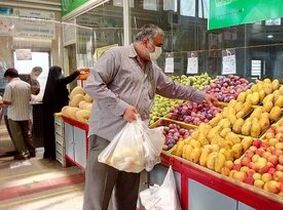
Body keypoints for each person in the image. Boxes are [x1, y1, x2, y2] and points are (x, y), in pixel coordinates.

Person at [83, 24, 219, 210]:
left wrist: (201, 96)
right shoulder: (116, 56)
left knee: (128, 195)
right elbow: (93, 85)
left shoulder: (152, 69)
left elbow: (172, 88)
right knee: (98, 195)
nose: (160, 50)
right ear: (146, 41)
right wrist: (122, 108)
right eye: (159, 44)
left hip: (134, 141)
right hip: (108, 135)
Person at [42, 66, 80, 160]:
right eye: (60, 72)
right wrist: (77, 72)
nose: (61, 74)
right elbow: (65, 80)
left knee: (51, 133)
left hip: (49, 114)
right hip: (57, 112)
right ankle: (55, 154)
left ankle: (50, 153)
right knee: (56, 132)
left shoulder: (50, 84)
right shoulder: (57, 82)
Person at [2, 68, 34, 160]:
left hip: (14, 115)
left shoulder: (10, 86)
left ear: (8, 76)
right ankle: (31, 152)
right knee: (27, 134)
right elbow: (29, 99)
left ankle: (24, 153)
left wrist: (1, 101)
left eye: (6, 78)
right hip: (25, 114)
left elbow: (7, 101)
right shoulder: (27, 85)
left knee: (17, 135)